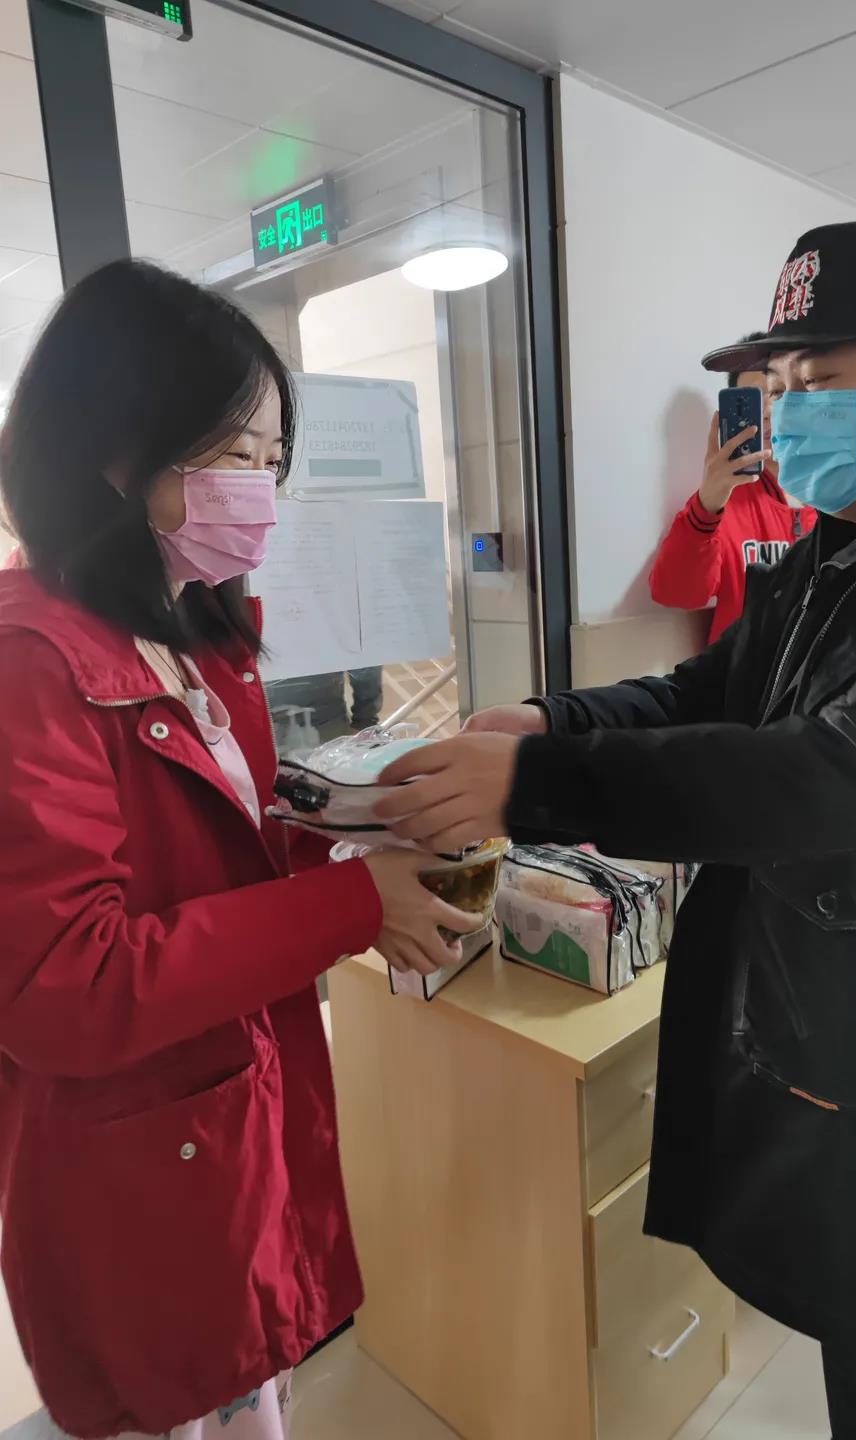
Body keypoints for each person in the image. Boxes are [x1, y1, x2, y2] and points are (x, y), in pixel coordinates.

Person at [376, 219, 856, 1440]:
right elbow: (714, 692)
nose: (788, 414)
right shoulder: (841, 540)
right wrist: (549, 717)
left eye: (821, 382)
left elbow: (847, 772)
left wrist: (535, 781)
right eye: (779, 386)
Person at [0, 260, 472, 1440]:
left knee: (253, 1384)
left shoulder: (196, 632)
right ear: (117, 453)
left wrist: (356, 835)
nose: (260, 490)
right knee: (182, 1394)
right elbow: (68, 983)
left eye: (272, 460)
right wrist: (352, 908)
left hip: (235, 1112)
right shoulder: (31, 665)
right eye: (232, 455)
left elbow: (217, 861)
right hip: (139, 1163)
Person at [649, 334, 816, 641]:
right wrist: (707, 504)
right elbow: (677, 594)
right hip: (743, 670)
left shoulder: (839, 500)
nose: (766, 411)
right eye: (751, 400)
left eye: (777, 394)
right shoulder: (724, 501)